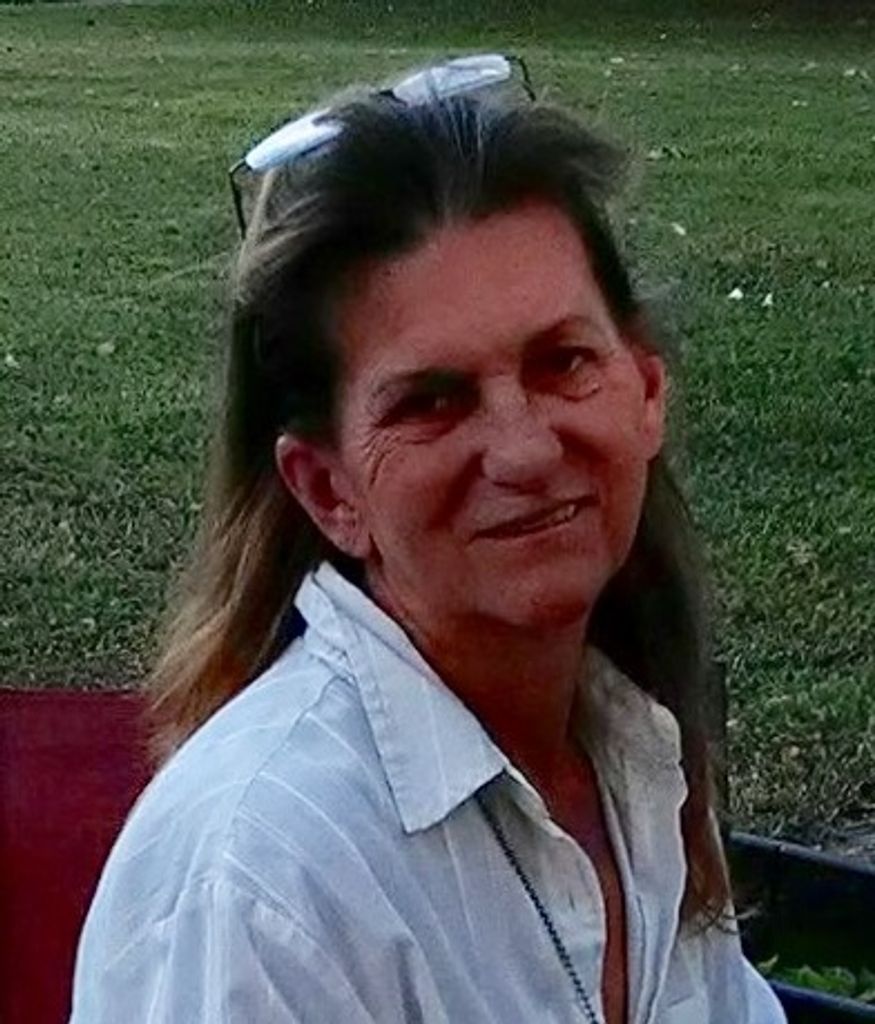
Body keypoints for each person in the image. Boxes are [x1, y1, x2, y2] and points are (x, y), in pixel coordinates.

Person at [69, 54, 786, 1023]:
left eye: (562, 361)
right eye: (431, 402)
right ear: (327, 489)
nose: (524, 449)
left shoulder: (631, 747)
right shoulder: (267, 883)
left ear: (646, 389)